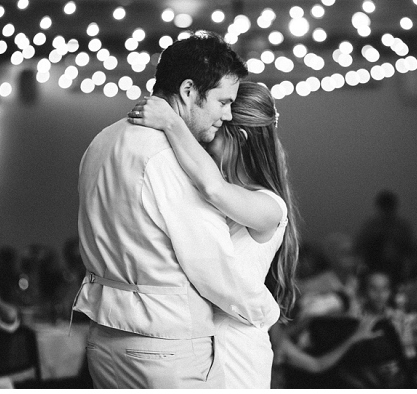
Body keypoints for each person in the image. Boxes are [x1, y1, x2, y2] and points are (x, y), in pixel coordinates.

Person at [74, 30, 276, 388]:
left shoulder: (100, 141)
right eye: (222, 101)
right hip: (162, 344)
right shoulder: (171, 158)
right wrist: (262, 310)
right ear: (187, 92)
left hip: (103, 339)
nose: (227, 115)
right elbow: (209, 264)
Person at [128, 80, 300, 388]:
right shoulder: (222, 195)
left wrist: (171, 121)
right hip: (198, 343)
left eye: (214, 134)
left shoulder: (270, 206)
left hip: (237, 348)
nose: (205, 143)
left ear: (241, 138)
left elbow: (213, 189)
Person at [354, 190, 415, 284]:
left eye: (389, 208)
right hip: (373, 267)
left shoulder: (401, 228)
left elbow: (411, 250)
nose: (386, 212)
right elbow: (359, 248)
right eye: (384, 208)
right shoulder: (371, 227)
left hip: (396, 268)